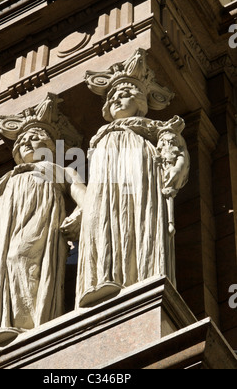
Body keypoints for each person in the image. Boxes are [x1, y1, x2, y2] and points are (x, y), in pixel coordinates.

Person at [0, 94, 86, 354]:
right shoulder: (5, 181)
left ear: (51, 146)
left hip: (38, 216)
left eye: (36, 137)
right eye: (23, 140)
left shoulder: (57, 169)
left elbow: (81, 192)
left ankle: (29, 324)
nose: (28, 142)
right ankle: (1, 326)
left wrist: (83, 210)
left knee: (20, 258)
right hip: (2, 226)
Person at [72, 49, 190, 308]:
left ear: (140, 102)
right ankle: (102, 277)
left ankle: (138, 276)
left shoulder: (154, 128)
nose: (117, 99)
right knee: (102, 218)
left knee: (134, 216)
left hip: (137, 166)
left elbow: (174, 151)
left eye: (125, 95)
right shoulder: (100, 135)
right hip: (104, 177)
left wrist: (175, 168)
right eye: (112, 96)